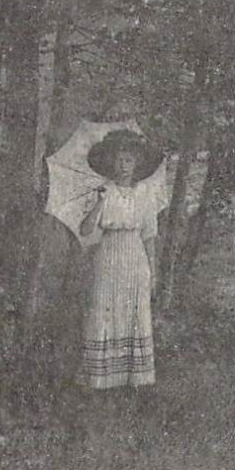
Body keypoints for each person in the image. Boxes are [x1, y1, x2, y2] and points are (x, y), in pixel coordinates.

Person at [77, 129, 164, 391]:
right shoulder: (103, 191)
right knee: (105, 310)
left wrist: (153, 270)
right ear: (110, 163)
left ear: (136, 163)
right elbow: (85, 230)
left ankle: (133, 380)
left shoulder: (146, 193)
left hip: (135, 257)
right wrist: (100, 202)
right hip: (108, 256)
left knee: (133, 311)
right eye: (118, 160)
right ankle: (103, 380)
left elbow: (149, 235)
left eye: (128, 160)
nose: (123, 165)